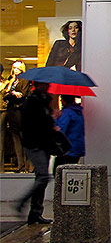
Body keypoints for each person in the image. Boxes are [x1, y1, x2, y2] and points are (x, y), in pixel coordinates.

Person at [15, 81, 55, 224]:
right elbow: (32, 124)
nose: (48, 87)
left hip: (44, 144)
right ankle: (22, 202)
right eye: (45, 85)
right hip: (35, 145)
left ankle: (35, 213)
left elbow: (46, 122)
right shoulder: (32, 102)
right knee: (44, 176)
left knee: (41, 177)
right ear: (38, 85)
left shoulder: (43, 101)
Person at [0, 61, 32, 172]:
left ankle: (27, 165)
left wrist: (12, 95)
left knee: (22, 138)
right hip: (11, 112)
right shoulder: (12, 80)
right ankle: (20, 164)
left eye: (18, 68)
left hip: (19, 111)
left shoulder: (25, 80)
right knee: (16, 139)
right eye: (14, 68)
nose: (15, 70)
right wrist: (12, 94)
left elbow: (22, 95)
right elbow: (5, 94)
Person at [53, 95, 85, 174]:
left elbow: (60, 129)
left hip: (67, 150)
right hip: (77, 149)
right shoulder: (79, 112)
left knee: (58, 174)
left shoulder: (67, 112)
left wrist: (55, 119)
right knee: (70, 175)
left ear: (63, 101)